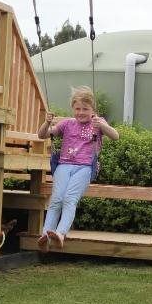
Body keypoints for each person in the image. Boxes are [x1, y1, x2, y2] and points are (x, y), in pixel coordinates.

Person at [36, 86, 119, 252]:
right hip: (64, 165)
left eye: (85, 109)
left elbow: (115, 136)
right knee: (56, 199)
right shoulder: (67, 124)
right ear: (73, 108)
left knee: (69, 198)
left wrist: (102, 126)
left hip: (85, 167)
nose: (81, 112)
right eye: (78, 109)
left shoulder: (98, 122)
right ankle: (45, 235)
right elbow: (42, 135)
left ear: (93, 110)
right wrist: (47, 123)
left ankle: (60, 234)